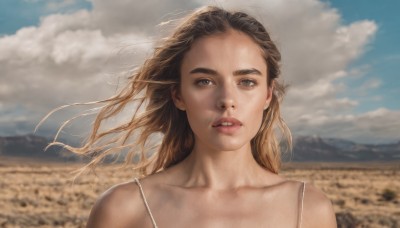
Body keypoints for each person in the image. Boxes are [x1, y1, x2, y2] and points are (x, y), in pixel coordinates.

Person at [69, 5, 337, 228]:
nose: (227, 101)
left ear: (268, 95)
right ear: (179, 96)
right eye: (205, 81)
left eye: (246, 82)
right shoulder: (123, 210)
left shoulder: (309, 210)